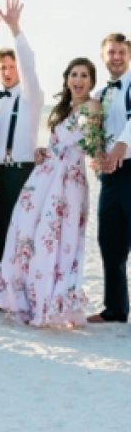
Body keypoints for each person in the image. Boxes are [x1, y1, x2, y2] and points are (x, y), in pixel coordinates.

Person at [0, 59, 96, 327]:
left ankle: (53, 303)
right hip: (44, 177)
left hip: (68, 182)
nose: (78, 79)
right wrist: (42, 150)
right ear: (67, 79)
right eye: (73, 74)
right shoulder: (64, 109)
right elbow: (59, 142)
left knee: (57, 237)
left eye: (84, 75)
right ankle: (29, 300)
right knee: (25, 230)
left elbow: (90, 143)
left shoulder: (92, 107)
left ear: (91, 81)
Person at [0, 0, 45, 309]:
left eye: (12, 67)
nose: (8, 72)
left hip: (23, 171)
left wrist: (16, 30)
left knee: (26, 234)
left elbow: (29, 67)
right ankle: (1, 292)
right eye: (2, 68)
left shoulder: (33, 96)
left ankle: (27, 293)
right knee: (1, 233)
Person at [88, 33, 131, 324]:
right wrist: (98, 153)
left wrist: (121, 144)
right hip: (111, 177)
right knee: (110, 241)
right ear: (103, 57)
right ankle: (115, 310)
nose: (115, 57)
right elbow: (96, 130)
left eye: (121, 52)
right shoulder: (101, 94)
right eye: (110, 52)